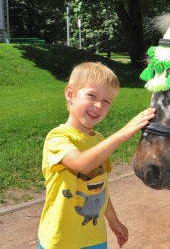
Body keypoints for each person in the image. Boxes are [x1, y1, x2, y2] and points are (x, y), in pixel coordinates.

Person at [38, 62, 156, 249]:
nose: (99, 105)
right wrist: (122, 134)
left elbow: (101, 188)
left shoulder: (98, 140)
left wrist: (113, 220)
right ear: (70, 94)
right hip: (60, 240)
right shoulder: (57, 137)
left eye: (107, 101)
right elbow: (80, 163)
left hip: (94, 238)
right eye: (92, 95)